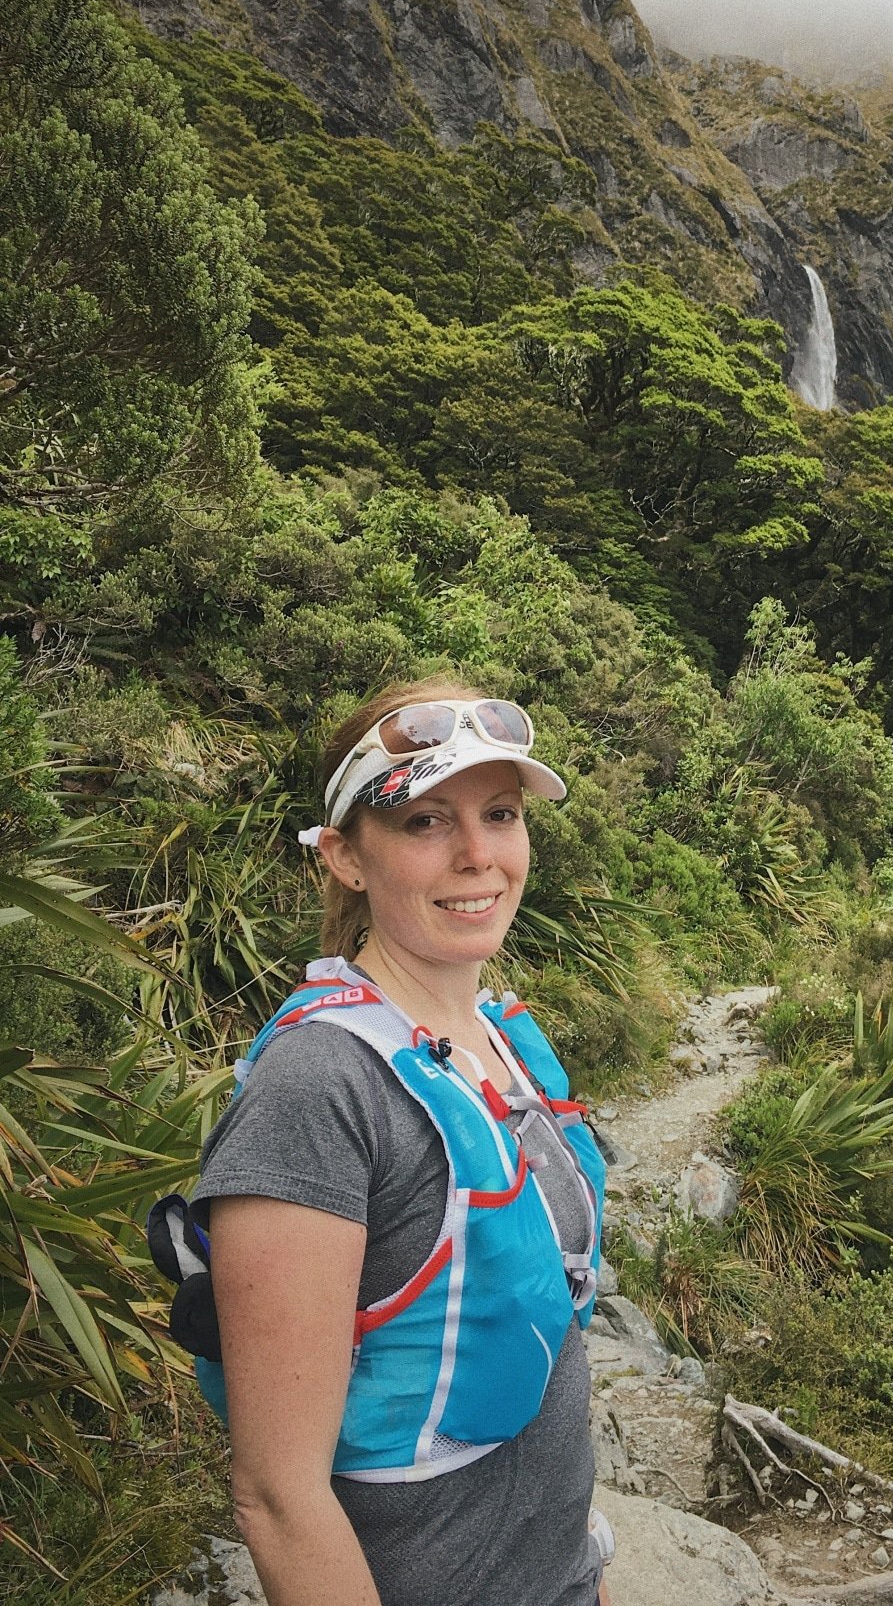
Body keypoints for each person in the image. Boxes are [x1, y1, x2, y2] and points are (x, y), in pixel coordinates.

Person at [188, 677, 615, 1606]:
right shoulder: (320, 1090)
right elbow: (276, 1494)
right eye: (425, 822)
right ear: (345, 857)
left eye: (499, 814)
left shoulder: (503, 1041)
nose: (477, 855)